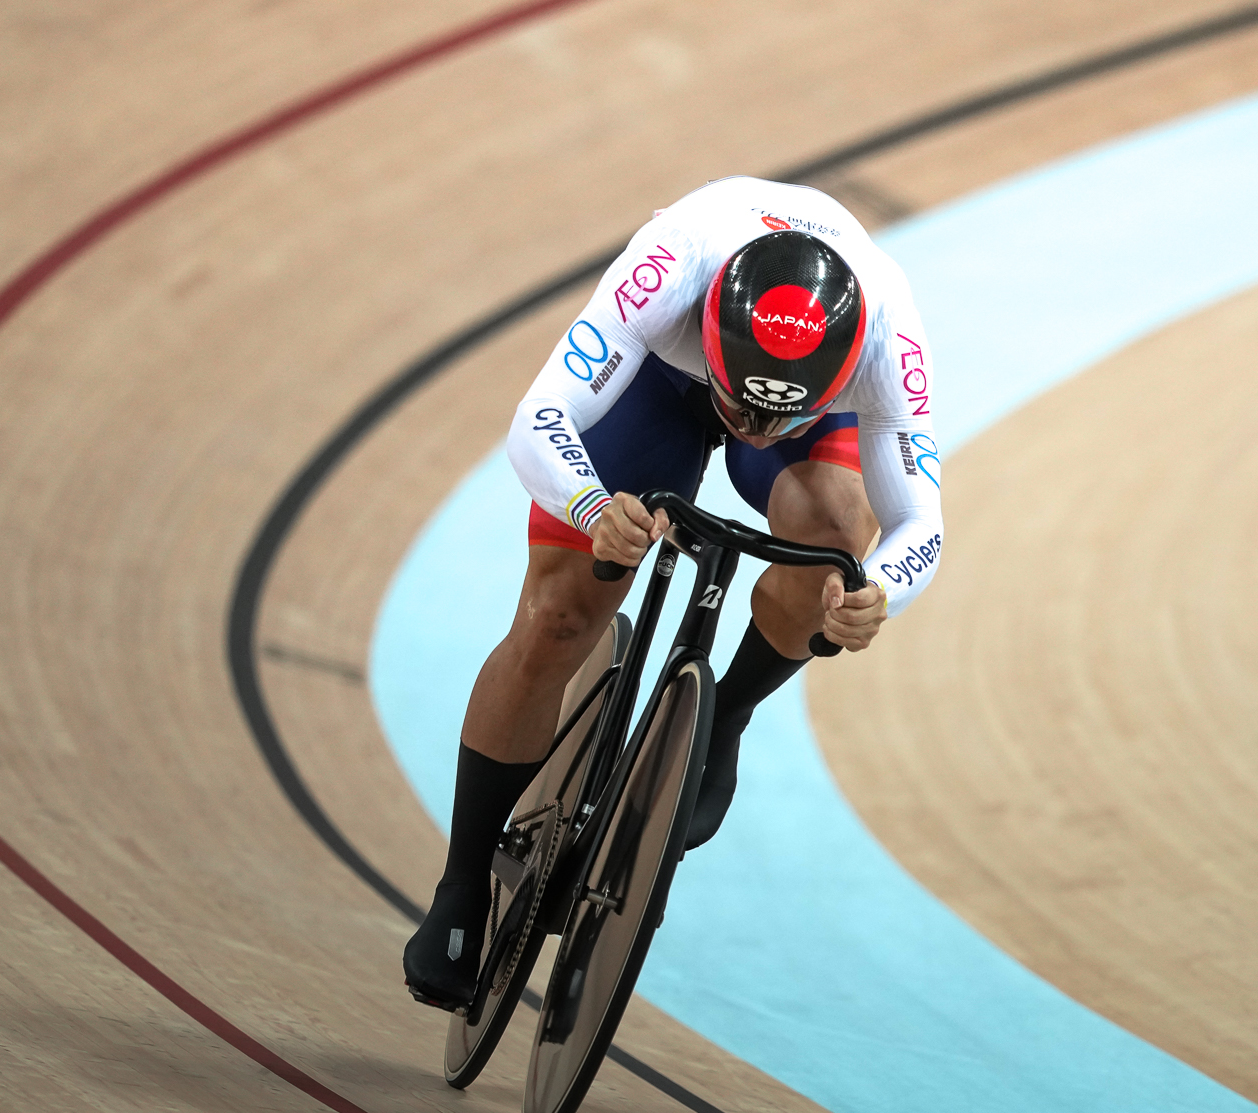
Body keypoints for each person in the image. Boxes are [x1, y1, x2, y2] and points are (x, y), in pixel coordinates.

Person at [403, 176, 944, 1009]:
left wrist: (877, 593)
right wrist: (592, 505)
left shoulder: (886, 334)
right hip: (657, 376)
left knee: (835, 545)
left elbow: (922, 522)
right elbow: (538, 416)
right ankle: (463, 882)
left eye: (772, 421)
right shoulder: (672, 265)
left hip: (810, 404)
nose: (750, 433)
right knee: (558, 616)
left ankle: (722, 717)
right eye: (742, 409)